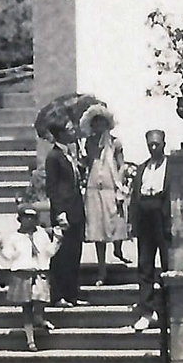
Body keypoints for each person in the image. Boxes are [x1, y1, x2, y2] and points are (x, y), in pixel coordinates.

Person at [0, 204, 62, 352]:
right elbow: (10, 256)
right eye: (26, 217)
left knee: (41, 299)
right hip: (22, 273)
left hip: (39, 271)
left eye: (32, 217)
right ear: (20, 219)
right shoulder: (15, 237)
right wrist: (1, 249)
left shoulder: (41, 234)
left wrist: (57, 241)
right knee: (26, 307)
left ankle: (39, 316)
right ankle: (30, 339)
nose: (29, 221)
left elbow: (48, 252)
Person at [128, 129, 175, 332]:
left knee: (167, 265)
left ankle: (168, 310)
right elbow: (134, 197)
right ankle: (147, 311)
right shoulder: (141, 168)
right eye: (150, 145)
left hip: (162, 217)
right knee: (145, 265)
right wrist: (132, 223)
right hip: (145, 218)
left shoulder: (171, 167)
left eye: (156, 144)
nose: (153, 148)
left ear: (163, 144)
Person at [80, 105, 130, 287]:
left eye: (102, 122)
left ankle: (118, 250)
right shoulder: (88, 143)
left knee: (115, 223)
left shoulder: (115, 143)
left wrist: (120, 182)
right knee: (97, 230)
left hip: (111, 186)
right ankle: (102, 269)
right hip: (94, 188)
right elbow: (88, 163)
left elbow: (122, 165)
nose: (99, 125)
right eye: (96, 122)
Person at [43, 121, 87, 307]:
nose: (72, 131)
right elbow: (52, 188)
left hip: (76, 209)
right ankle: (58, 294)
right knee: (62, 255)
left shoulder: (69, 153)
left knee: (74, 253)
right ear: (59, 134)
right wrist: (60, 212)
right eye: (68, 129)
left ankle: (72, 294)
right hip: (64, 212)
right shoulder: (53, 157)